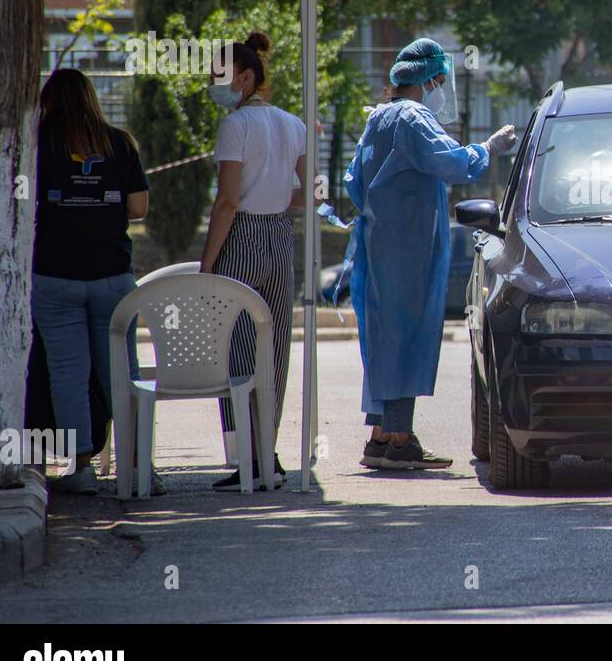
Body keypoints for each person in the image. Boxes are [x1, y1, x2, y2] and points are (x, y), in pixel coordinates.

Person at [345, 38, 517, 471]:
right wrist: (488, 149)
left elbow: (351, 181)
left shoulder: (379, 117)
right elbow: (450, 164)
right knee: (407, 337)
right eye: (439, 80)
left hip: (381, 244)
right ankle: (401, 441)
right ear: (427, 80)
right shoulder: (413, 117)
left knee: (385, 339)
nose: (442, 88)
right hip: (410, 248)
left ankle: (381, 435)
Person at [33, 68, 151, 494]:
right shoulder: (118, 142)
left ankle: (80, 467)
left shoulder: (37, 144)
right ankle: (138, 466)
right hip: (113, 277)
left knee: (67, 373)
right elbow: (138, 207)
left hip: (53, 276)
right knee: (123, 371)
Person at [200, 32, 306, 490]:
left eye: (221, 78)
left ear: (245, 78)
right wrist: (275, 192)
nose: (216, 86)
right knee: (275, 348)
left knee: (236, 349)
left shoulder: (236, 125)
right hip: (280, 236)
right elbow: (307, 193)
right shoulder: (293, 123)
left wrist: (207, 265)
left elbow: (225, 202)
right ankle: (269, 452)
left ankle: (248, 456)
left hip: (240, 235)